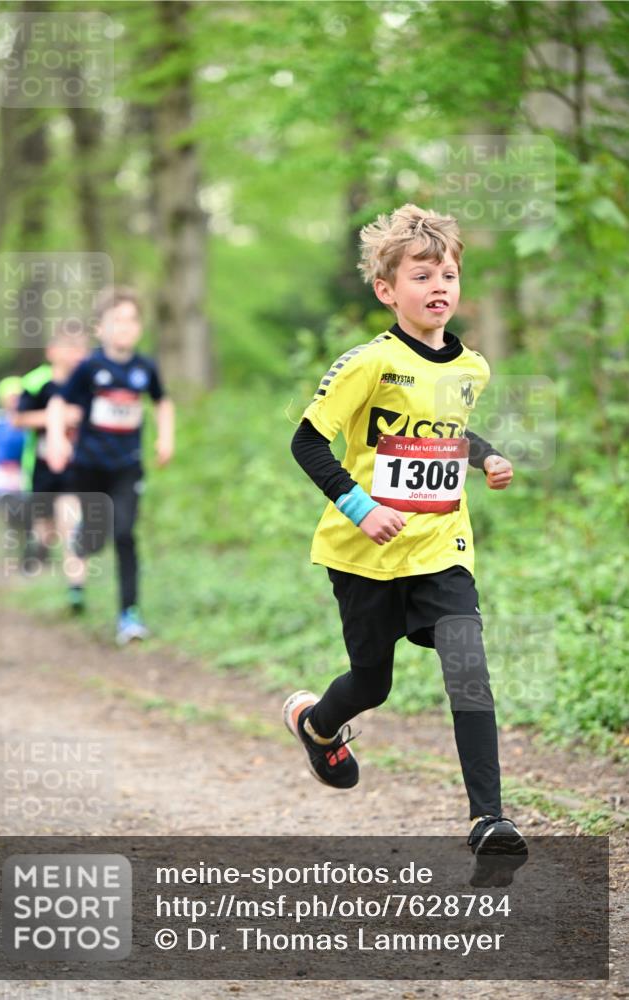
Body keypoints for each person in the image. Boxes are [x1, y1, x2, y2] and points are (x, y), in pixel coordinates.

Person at [283, 203, 527, 883]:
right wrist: (360, 507)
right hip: (361, 553)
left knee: (467, 667)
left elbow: (440, 427)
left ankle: (488, 820)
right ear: (388, 290)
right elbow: (306, 441)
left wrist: (486, 457)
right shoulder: (368, 363)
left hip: (439, 548)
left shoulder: (471, 369)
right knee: (371, 681)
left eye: (447, 273)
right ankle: (318, 727)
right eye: (421, 275)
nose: (438, 285)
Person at [46, 287, 174, 644]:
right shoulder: (89, 367)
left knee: (124, 533)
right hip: (88, 466)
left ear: (140, 327)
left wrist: (165, 438)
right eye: (117, 321)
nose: (125, 328)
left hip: (126, 466)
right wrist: (56, 438)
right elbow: (59, 402)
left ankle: (129, 615)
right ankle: (84, 538)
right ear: (100, 328)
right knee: (96, 534)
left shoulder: (145, 367)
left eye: (132, 320)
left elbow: (163, 403)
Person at [13, 319, 89, 606]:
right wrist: (55, 417)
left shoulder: (88, 383)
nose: (75, 354)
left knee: (72, 524)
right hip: (42, 469)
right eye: (69, 348)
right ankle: (37, 550)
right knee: (46, 528)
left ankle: (76, 588)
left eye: (81, 348)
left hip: (75, 469)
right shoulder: (36, 382)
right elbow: (17, 419)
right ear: (52, 350)